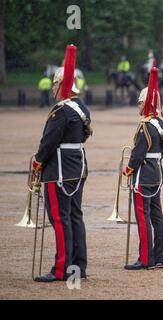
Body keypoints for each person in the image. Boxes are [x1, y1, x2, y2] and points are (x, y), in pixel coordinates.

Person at [32, 45, 92, 282]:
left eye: (56, 85)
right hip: (77, 167)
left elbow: (48, 143)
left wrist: (37, 161)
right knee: (75, 216)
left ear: (60, 85)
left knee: (60, 218)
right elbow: (85, 134)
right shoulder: (81, 108)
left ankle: (61, 269)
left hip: (58, 169)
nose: (54, 89)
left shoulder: (61, 110)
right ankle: (78, 265)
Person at [122, 67, 163, 270]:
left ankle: (145, 259)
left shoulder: (145, 125)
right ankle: (158, 258)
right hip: (157, 173)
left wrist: (129, 168)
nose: (138, 106)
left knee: (143, 217)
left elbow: (138, 153)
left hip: (143, 175)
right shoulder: (161, 124)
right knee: (157, 218)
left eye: (140, 102)